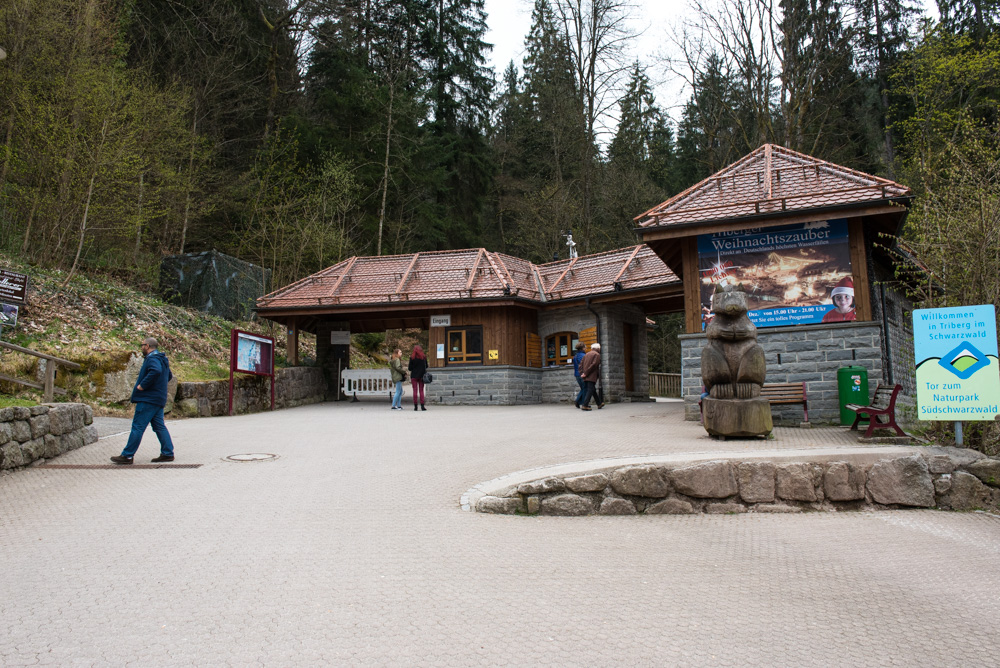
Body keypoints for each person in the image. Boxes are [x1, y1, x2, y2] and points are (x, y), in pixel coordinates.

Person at [111, 337, 175, 464]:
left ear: (147, 346)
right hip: (158, 399)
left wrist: (143, 385)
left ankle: (127, 455)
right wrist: (158, 387)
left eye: (142, 345)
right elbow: (169, 376)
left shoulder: (152, 358)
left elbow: (155, 371)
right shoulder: (162, 359)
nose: (141, 348)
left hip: (148, 399)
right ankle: (168, 453)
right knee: (159, 426)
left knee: (138, 427)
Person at [579, 342, 604, 411]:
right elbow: (594, 365)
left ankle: (599, 403)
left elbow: (580, 365)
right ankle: (585, 405)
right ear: (598, 348)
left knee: (592, 389)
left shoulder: (586, 354)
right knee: (590, 390)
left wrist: (582, 373)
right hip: (591, 375)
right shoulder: (597, 354)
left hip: (585, 375)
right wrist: (586, 373)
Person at [408, 344, 428, 411]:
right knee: (421, 390)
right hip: (422, 376)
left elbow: (409, 368)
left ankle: (415, 406)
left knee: (415, 391)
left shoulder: (412, 357)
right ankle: (422, 406)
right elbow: (426, 366)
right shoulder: (424, 357)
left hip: (414, 375)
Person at [572, 342, 587, 408]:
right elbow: (584, 365)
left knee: (583, 388)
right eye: (585, 347)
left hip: (576, 374)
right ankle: (580, 401)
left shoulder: (575, 356)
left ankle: (579, 401)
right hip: (582, 374)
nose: (586, 348)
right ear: (583, 348)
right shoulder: (584, 356)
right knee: (585, 388)